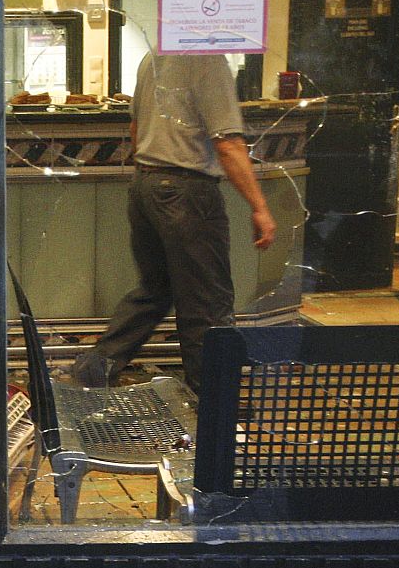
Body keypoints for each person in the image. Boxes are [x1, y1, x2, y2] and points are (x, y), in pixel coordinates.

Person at [71, 51, 276, 393]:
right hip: (187, 191)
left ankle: (92, 371)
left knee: (156, 291)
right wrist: (260, 207)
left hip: (145, 185)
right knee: (206, 304)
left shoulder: (152, 57)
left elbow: (135, 131)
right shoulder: (208, 61)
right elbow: (227, 143)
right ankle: (215, 403)